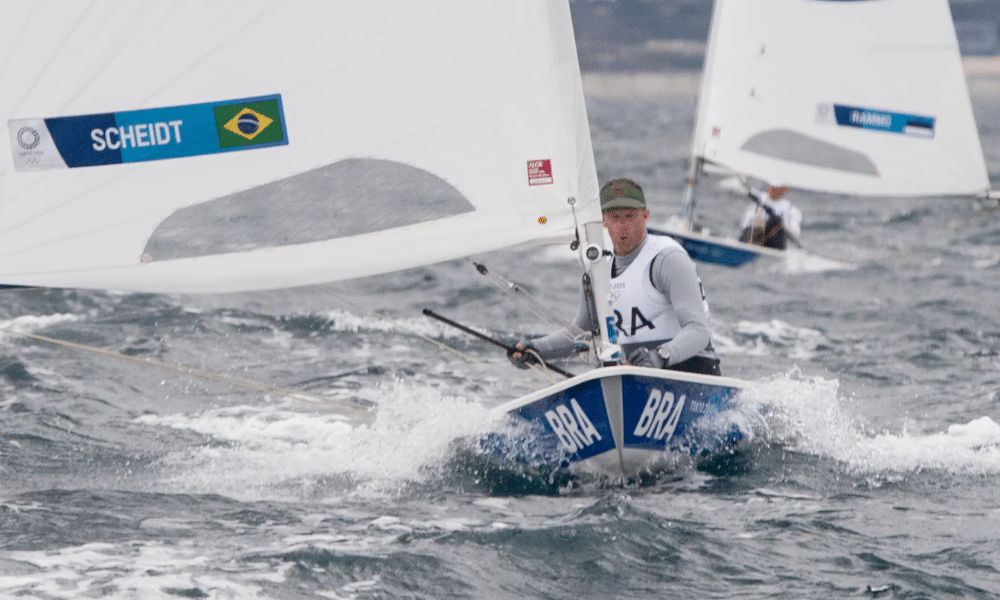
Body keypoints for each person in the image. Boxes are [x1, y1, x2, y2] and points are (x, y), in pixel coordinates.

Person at [508, 178, 722, 376]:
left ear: (645, 215)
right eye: (615, 217)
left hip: (693, 368)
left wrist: (659, 357)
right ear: (603, 220)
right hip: (634, 374)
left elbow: (699, 330)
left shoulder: (667, 260)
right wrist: (536, 350)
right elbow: (581, 335)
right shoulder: (598, 274)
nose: (623, 226)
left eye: (630, 216)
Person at [738, 181, 802, 250]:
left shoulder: (792, 209)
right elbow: (745, 224)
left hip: (775, 244)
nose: (773, 190)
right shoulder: (759, 200)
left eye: (777, 188)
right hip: (755, 238)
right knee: (757, 225)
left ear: (785, 190)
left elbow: (795, 234)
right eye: (772, 187)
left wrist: (782, 225)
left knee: (776, 220)